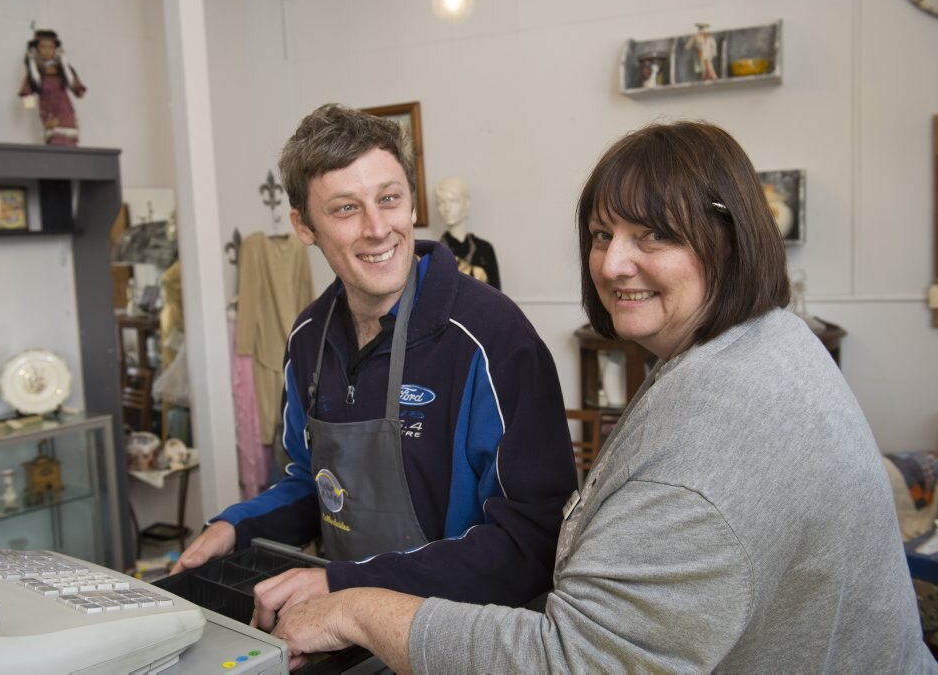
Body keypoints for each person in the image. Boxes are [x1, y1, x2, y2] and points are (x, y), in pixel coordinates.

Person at [272, 121, 937, 673]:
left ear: (730, 237)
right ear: (308, 226)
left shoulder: (704, 456)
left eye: (655, 234)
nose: (613, 263)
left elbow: (572, 660)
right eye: (601, 234)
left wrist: (356, 603)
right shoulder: (765, 341)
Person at [171, 104, 576, 623]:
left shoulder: (491, 339)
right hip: (345, 634)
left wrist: (344, 586)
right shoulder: (308, 340)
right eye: (345, 209)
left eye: (389, 199)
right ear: (304, 226)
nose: (377, 229)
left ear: (411, 204)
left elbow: (531, 544)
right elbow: (309, 483)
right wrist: (236, 528)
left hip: (460, 639)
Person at [18, 29, 86, 146]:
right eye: (43, 47)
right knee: (54, 140)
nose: (47, 51)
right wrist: (31, 107)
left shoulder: (63, 70)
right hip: (48, 111)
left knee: (69, 141)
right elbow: (27, 94)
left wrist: (77, 88)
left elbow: (78, 90)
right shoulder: (35, 72)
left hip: (65, 111)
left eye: (50, 47)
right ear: (37, 49)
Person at [435, 177, 501, 290]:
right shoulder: (435, 253)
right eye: (440, 202)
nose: (446, 208)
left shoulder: (485, 249)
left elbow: (498, 297)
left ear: (467, 204)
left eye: (453, 201)